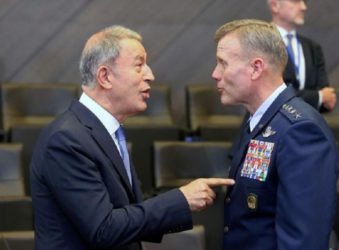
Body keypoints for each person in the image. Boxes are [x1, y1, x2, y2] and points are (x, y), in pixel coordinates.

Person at [30, 25, 234, 250]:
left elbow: (128, 213)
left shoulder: (106, 132)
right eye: (139, 65)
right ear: (105, 76)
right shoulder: (66, 140)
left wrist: (183, 199)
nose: (150, 75)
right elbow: (103, 229)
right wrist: (180, 199)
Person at [212, 19, 339, 249]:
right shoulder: (259, 120)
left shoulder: (300, 130)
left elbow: (303, 241)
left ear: (256, 68)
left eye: (223, 64)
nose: (215, 74)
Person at [267, 0, 337, 112]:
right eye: (295, 1)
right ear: (275, 5)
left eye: (304, 2)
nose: (304, 7)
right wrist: (319, 97)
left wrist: (322, 97)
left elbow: (328, 100)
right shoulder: (260, 44)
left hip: (307, 125)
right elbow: (270, 95)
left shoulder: (313, 48)